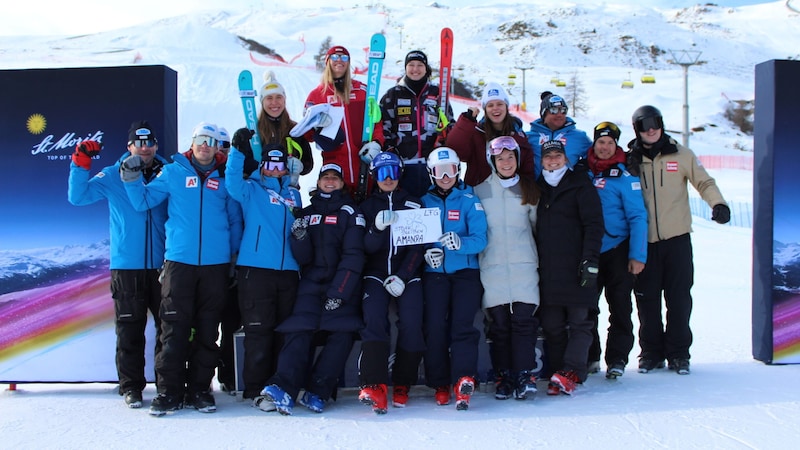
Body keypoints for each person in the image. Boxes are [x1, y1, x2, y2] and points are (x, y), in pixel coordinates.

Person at [121, 121, 243, 416]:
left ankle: (201, 389)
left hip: (215, 266)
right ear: (192, 143)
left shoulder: (224, 177)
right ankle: (169, 392)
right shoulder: (174, 172)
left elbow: (234, 220)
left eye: (210, 141)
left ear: (216, 147)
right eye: (200, 139)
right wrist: (131, 177)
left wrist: (234, 257)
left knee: (206, 329)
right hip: (179, 263)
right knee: (173, 329)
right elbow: (144, 201)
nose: (204, 145)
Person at [67, 120, 168, 409]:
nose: (145, 148)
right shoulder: (112, 175)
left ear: (156, 146)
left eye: (150, 143)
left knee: (168, 329)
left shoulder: (168, 173)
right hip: (127, 266)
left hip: (163, 265)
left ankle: (167, 386)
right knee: (129, 330)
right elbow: (78, 196)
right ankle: (131, 387)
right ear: (130, 146)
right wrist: (80, 162)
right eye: (140, 142)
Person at [626, 105, 730, 375]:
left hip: (677, 240)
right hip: (644, 243)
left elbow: (704, 182)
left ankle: (679, 353)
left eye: (656, 123)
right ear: (637, 128)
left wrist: (717, 203)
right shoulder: (630, 160)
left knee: (679, 299)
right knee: (647, 301)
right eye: (645, 124)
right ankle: (651, 353)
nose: (651, 129)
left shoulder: (682, 155)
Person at [260, 163, 366, 415]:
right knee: (299, 328)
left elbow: (354, 256)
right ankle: (282, 387)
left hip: (342, 285)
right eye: (325, 177)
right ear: (318, 182)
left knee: (342, 332)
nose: (330, 181)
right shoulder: (306, 213)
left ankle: (319, 390)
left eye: (335, 177)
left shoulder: (351, 212)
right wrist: (299, 238)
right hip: (311, 283)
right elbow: (303, 258)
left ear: (342, 183)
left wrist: (339, 293)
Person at [224, 129, 301, 408]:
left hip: (289, 272)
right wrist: (236, 151)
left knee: (284, 331)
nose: (274, 169)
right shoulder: (251, 188)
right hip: (255, 270)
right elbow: (231, 184)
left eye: (280, 164)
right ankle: (255, 388)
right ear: (262, 164)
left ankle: (279, 386)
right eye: (270, 163)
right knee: (259, 331)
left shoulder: (293, 195)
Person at [357, 151, 426, 414]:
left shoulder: (413, 203)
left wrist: (404, 275)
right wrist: (376, 230)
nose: (388, 179)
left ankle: (403, 382)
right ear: (374, 176)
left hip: (407, 273)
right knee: (374, 318)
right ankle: (374, 384)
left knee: (411, 321)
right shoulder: (366, 207)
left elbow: (419, 246)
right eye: (383, 173)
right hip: (375, 272)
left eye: (393, 173)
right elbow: (364, 247)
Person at [578, 122, 648, 379]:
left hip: (617, 250)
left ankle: (617, 358)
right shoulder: (582, 171)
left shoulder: (625, 176)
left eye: (610, 143)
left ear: (616, 145)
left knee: (619, 306)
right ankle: (590, 356)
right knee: (587, 307)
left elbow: (638, 217)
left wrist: (637, 255)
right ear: (594, 144)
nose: (605, 147)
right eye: (601, 142)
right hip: (589, 250)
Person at [474, 136, 542, 401]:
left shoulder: (529, 190)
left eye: (510, 157)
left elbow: (538, 228)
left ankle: (525, 374)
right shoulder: (480, 191)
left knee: (524, 322)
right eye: (500, 158)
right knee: (500, 325)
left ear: (517, 159)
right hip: (493, 266)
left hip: (524, 265)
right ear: (492, 161)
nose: (505, 162)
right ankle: (504, 375)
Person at [421, 147, 487, 411]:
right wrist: (427, 254)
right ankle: (439, 382)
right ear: (431, 173)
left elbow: (481, 239)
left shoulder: (469, 200)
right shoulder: (423, 202)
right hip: (435, 275)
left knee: (462, 326)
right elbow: (416, 239)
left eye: (450, 170)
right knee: (435, 327)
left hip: (465, 274)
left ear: (458, 171)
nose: (445, 176)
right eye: (439, 171)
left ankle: (463, 378)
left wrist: (461, 243)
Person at [535, 140, 603, 396]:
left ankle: (574, 370)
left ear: (565, 158)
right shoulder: (538, 188)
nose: (553, 160)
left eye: (557, 155)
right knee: (552, 324)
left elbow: (594, 225)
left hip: (577, 266)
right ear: (541, 160)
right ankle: (558, 372)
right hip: (549, 269)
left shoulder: (580, 184)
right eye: (548, 156)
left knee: (580, 322)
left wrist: (590, 259)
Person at [304, 45, 384, 201]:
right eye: (334, 57)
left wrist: (376, 143)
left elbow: (377, 123)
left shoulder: (362, 91)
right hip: (335, 169)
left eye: (344, 57)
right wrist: (315, 125)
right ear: (327, 62)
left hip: (363, 162)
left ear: (349, 63)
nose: (339, 61)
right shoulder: (316, 95)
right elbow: (308, 135)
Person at [379, 50, 452, 198]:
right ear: (406, 68)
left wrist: (444, 137)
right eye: (411, 65)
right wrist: (391, 150)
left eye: (420, 65)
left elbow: (448, 121)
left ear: (426, 68)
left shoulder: (437, 93)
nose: (415, 69)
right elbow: (383, 125)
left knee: (431, 202)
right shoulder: (393, 94)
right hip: (403, 163)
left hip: (432, 163)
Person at [446, 82, 534, 186]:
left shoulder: (518, 135)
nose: (495, 108)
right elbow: (456, 151)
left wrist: (528, 191)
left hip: (512, 195)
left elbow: (527, 168)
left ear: (506, 107)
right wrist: (467, 121)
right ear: (485, 110)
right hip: (481, 194)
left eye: (500, 104)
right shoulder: (477, 134)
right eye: (490, 105)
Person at [256, 71, 314, 188]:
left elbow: (308, 164)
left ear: (284, 100)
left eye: (279, 97)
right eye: (269, 98)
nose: (274, 102)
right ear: (262, 102)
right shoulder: (255, 130)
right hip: (260, 190)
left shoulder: (295, 129)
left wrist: (300, 166)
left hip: (288, 189)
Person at [526, 91, 592, 177]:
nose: (559, 114)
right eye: (554, 110)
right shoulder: (529, 137)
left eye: (563, 110)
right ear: (544, 113)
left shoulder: (579, 137)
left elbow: (595, 160)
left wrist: (582, 176)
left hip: (567, 188)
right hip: (536, 188)